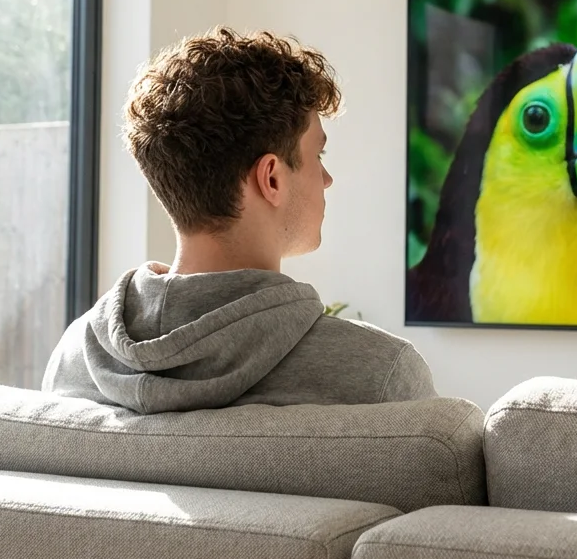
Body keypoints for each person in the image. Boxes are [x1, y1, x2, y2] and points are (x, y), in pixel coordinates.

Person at [42, 27, 437, 412]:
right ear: (272, 178)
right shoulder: (379, 378)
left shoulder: (73, 363)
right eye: (319, 156)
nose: (327, 179)